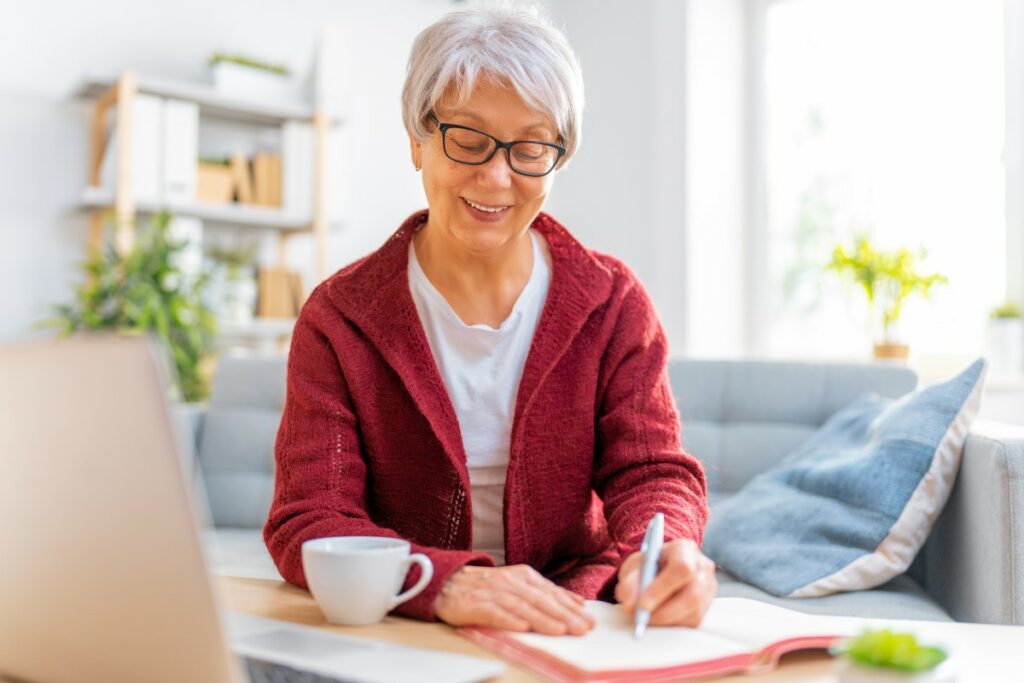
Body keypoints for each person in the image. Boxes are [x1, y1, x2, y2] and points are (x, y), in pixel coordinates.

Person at [264, 5, 716, 636]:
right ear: (417, 139)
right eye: (468, 140)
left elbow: (651, 472)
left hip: (582, 616)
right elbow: (312, 517)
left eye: (530, 147)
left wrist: (665, 551)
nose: (497, 176)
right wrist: (445, 583)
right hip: (414, 623)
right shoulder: (339, 318)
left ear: (558, 158)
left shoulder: (612, 302)